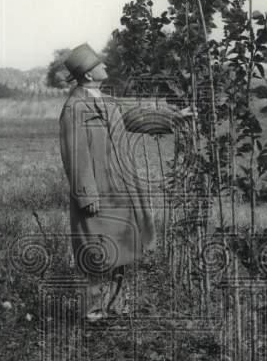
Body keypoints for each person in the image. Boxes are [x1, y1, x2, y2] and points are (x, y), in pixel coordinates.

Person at [58, 42, 193, 322]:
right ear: (88, 75)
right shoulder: (74, 108)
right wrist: (86, 195)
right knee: (95, 251)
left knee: (122, 246)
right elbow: (75, 156)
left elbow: (136, 115)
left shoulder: (106, 101)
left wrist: (175, 118)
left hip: (120, 188)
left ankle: (116, 306)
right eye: (100, 64)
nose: (105, 67)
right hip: (97, 191)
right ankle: (92, 311)